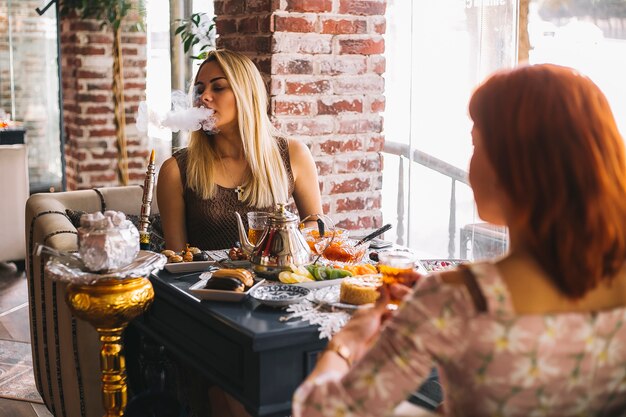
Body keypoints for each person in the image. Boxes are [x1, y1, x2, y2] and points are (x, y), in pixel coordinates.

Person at [292, 64, 626, 417]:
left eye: (475, 143)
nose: (469, 163)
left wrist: (346, 344)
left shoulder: (455, 299)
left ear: (515, 164)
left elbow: (323, 412)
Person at [157, 49, 322, 251]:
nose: (204, 97)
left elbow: (316, 226)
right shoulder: (175, 170)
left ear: (246, 95)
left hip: (280, 279)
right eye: (199, 90)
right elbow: (177, 260)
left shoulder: (294, 154)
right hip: (207, 283)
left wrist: (291, 245)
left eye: (218, 87)